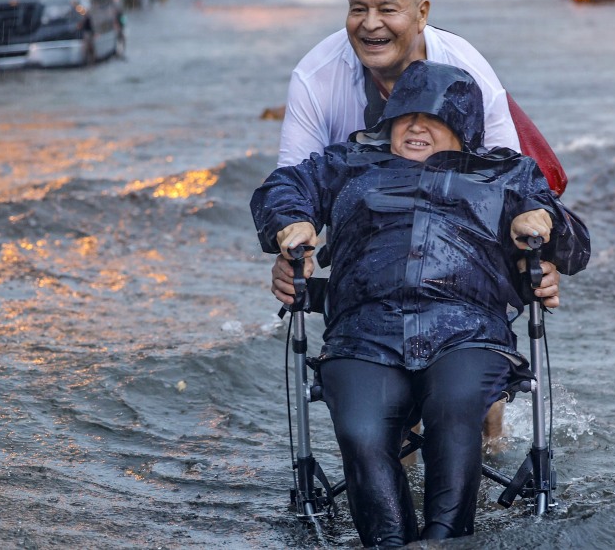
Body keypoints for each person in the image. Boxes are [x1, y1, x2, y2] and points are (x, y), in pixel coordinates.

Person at [252, 61, 591, 546]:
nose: (415, 127)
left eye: (433, 118)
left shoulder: (508, 174)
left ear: (464, 128)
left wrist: (542, 220)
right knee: (362, 430)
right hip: (362, 333)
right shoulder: (347, 163)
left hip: (468, 332)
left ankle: (444, 541)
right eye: (405, 116)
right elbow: (281, 187)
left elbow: (577, 248)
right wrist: (291, 222)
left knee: (455, 411)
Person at [269, 0, 562, 308]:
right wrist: (291, 240)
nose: (370, 23)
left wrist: (534, 256)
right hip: (368, 255)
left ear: (422, 14)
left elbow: (508, 178)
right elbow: (294, 181)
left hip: (459, 260)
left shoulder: (466, 69)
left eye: (387, 10)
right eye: (358, 9)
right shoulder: (316, 76)